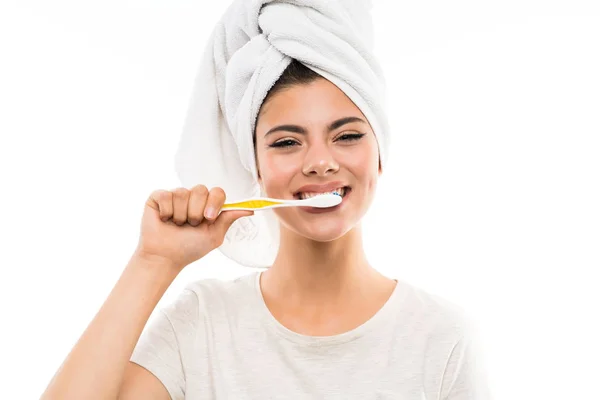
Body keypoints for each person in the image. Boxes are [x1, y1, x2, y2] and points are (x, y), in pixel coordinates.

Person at [40, 2, 491, 400]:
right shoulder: (201, 324)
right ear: (254, 165)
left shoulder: (440, 338)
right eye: (286, 143)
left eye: (348, 135)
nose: (319, 162)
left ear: (380, 155)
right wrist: (153, 262)